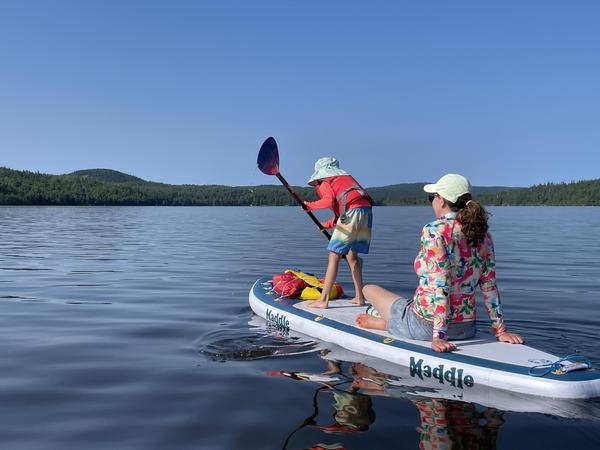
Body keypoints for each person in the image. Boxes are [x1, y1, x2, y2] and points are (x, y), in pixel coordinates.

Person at [356, 173, 523, 352]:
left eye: (432, 197)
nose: (432, 202)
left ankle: (384, 323)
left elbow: (441, 285)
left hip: (425, 326)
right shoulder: (484, 236)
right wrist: (500, 331)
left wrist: (438, 337)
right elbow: (489, 287)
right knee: (404, 304)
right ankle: (390, 319)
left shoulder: (434, 231)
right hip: (466, 329)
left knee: (368, 290)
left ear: (441, 200)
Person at [303, 157, 373, 309]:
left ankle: (323, 300)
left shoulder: (324, 181)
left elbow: (329, 202)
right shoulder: (344, 179)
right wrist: (324, 225)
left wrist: (308, 205)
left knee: (334, 255)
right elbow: (342, 214)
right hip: (366, 212)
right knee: (352, 256)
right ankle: (359, 297)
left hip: (352, 213)